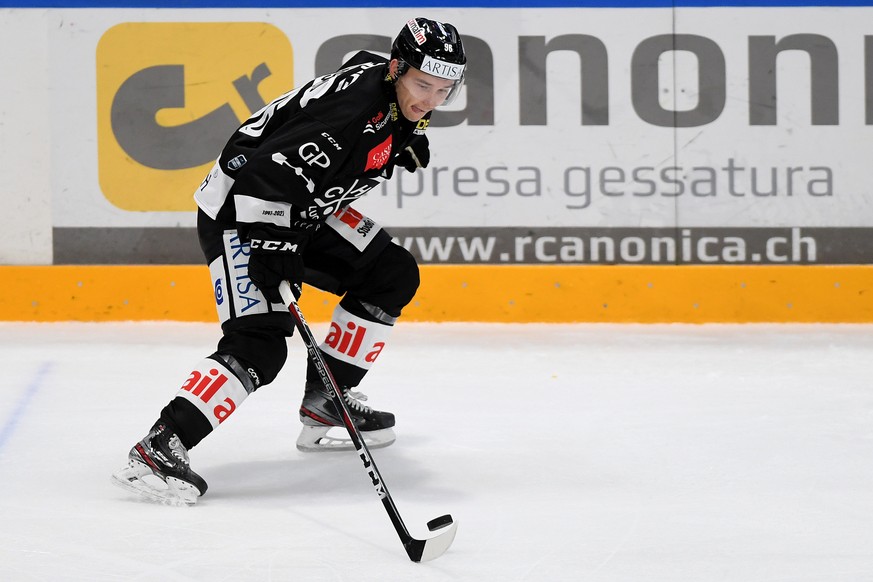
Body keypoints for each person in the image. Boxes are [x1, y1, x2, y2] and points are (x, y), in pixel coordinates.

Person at [111, 17, 467, 506]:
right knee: (260, 345)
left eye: (443, 89)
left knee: (391, 272)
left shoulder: (383, 86)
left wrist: (403, 133)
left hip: (300, 209)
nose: (429, 99)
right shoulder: (352, 113)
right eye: (422, 85)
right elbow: (265, 172)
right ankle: (161, 444)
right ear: (397, 68)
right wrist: (272, 246)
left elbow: (355, 79)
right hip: (244, 212)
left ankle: (327, 400)